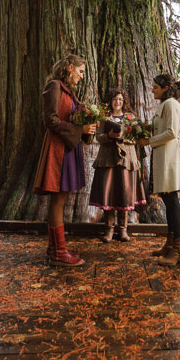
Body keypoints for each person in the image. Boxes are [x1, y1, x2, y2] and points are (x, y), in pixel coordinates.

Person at [33, 54, 97, 266]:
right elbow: (50, 119)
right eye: (80, 71)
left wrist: (87, 126)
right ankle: (60, 253)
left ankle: (53, 249)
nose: (81, 76)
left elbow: (72, 118)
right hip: (58, 149)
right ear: (70, 68)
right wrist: (80, 129)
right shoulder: (55, 86)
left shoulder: (71, 93)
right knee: (58, 199)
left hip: (69, 149)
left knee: (62, 198)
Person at [138, 74, 180, 267]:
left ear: (166, 87)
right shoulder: (165, 105)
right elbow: (160, 130)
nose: (152, 90)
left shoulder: (171, 105)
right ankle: (170, 243)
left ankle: (178, 250)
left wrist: (148, 141)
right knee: (168, 200)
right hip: (163, 157)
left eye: (155, 87)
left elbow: (172, 132)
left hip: (170, 158)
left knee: (172, 201)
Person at [89, 88, 147, 242]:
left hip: (126, 160)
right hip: (108, 159)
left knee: (124, 194)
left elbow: (136, 139)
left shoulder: (130, 118)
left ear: (124, 101)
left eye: (120, 99)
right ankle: (109, 230)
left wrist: (122, 136)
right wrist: (109, 135)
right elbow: (98, 137)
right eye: (115, 99)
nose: (118, 102)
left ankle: (123, 229)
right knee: (109, 194)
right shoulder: (104, 118)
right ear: (110, 101)